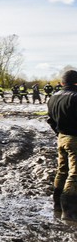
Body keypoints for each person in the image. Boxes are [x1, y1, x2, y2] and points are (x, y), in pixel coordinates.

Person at [47, 70, 77, 220]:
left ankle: (57, 205)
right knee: (75, 174)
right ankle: (70, 211)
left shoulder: (53, 97)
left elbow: (50, 120)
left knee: (62, 171)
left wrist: (58, 133)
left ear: (62, 82)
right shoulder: (75, 96)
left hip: (61, 137)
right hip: (74, 138)